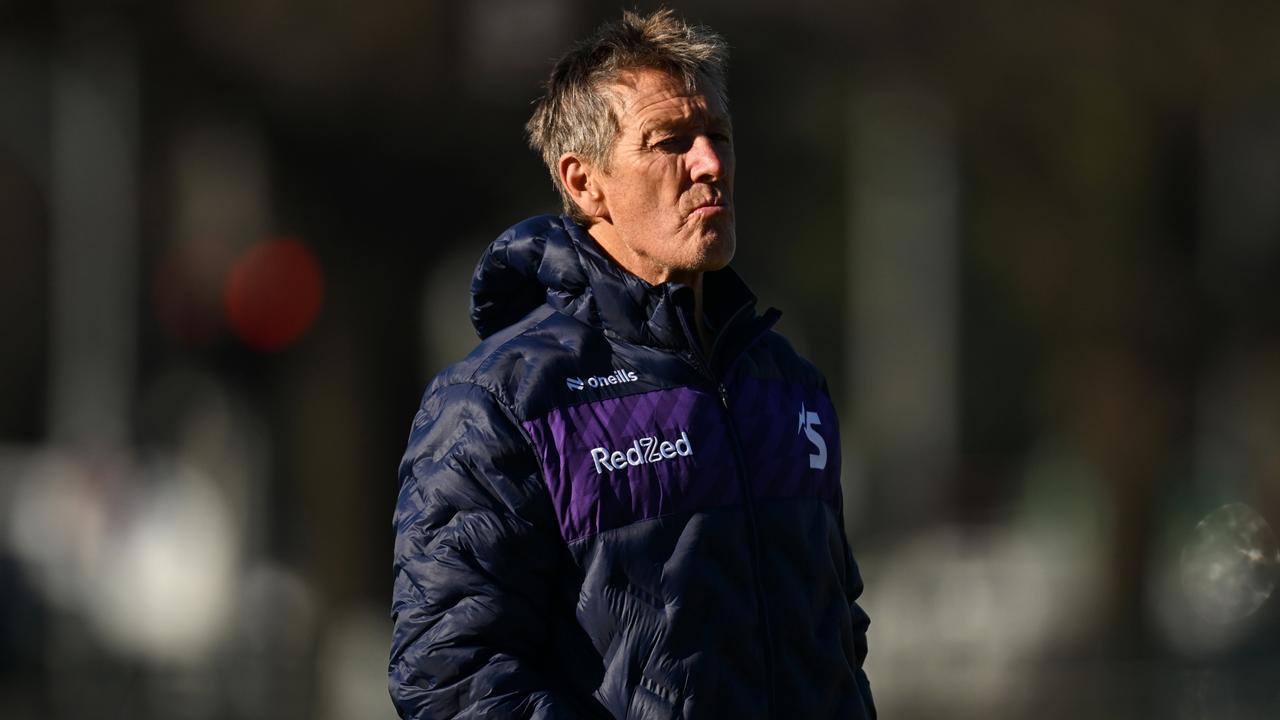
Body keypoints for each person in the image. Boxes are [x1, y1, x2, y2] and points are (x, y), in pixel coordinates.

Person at [389, 9, 875, 719]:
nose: (709, 165)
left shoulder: (784, 382)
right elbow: (453, 681)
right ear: (585, 184)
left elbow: (837, 637)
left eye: (718, 138)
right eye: (670, 141)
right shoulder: (498, 405)